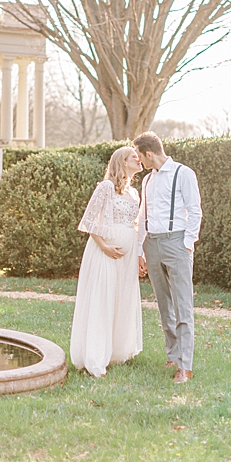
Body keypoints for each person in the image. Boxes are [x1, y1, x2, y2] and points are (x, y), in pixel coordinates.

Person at [133, 131, 202, 384]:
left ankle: (185, 366)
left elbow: (195, 211)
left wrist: (186, 244)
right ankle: (172, 354)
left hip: (177, 243)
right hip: (152, 243)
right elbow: (142, 215)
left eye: (140, 156)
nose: (139, 162)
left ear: (149, 153)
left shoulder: (184, 173)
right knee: (164, 305)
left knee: (183, 305)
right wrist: (141, 250)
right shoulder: (147, 180)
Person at [69, 146, 145, 378]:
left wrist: (139, 254)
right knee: (103, 299)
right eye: (134, 157)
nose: (139, 159)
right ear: (122, 161)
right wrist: (104, 246)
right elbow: (88, 221)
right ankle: (95, 358)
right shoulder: (106, 187)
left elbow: (134, 224)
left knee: (122, 299)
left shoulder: (134, 193)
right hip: (104, 252)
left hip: (127, 255)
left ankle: (116, 351)